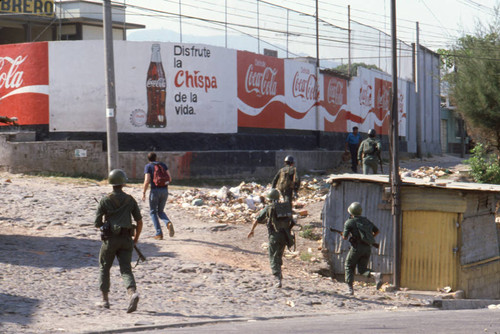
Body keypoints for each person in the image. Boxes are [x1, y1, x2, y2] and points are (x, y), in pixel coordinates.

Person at [94, 169, 143, 313]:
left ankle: (105, 300)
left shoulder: (104, 200)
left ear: (110, 183)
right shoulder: (130, 200)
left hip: (110, 240)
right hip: (127, 239)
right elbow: (139, 221)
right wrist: (136, 239)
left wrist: (106, 225)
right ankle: (132, 293)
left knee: (104, 267)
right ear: (123, 183)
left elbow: (97, 223)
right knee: (126, 269)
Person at [247, 189, 294, 288]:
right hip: (285, 236)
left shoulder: (269, 208)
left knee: (273, 256)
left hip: (275, 236)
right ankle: (279, 273)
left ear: (269, 199)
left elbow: (257, 219)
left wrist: (252, 230)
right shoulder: (285, 207)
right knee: (279, 255)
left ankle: (278, 278)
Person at [342, 202, 382, 296]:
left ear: (351, 212)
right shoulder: (366, 221)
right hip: (367, 248)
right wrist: (368, 239)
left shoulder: (349, 222)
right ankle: (375, 275)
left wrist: (346, 234)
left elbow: (345, 237)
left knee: (349, 266)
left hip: (356, 248)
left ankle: (350, 290)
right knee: (362, 269)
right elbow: (377, 231)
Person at [142, 152, 174, 240]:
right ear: (156, 158)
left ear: (148, 159)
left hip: (154, 191)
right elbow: (170, 178)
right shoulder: (163, 165)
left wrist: (144, 192)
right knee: (161, 211)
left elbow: (147, 180)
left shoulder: (148, 166)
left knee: (153, 212)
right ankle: (168, 223)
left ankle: (159, 233)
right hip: (165, 190)